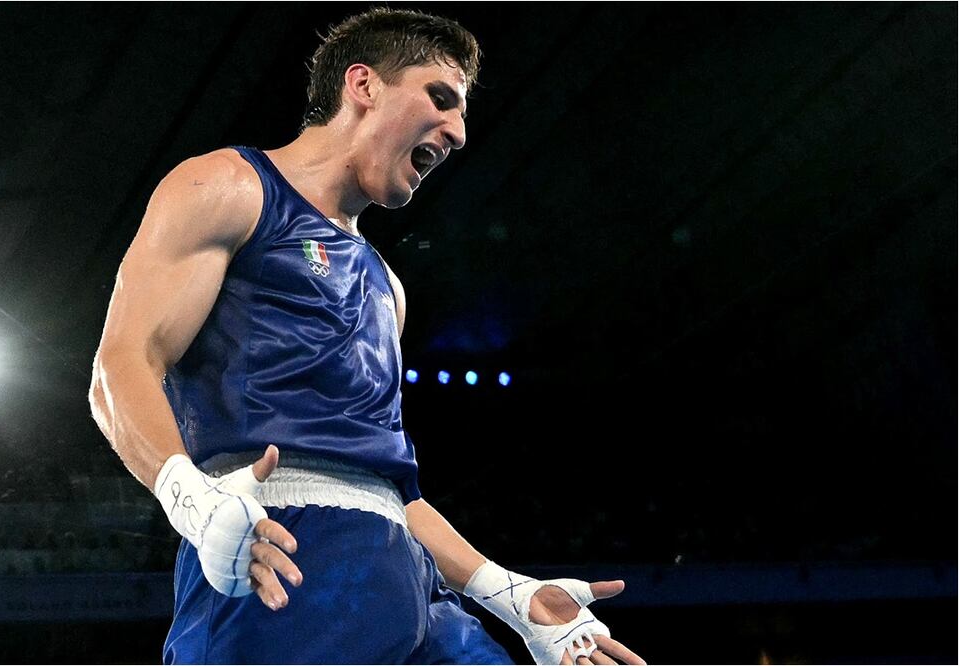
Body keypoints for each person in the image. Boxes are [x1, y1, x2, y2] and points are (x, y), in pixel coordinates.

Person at [89, 8, 645, 665]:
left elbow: (388, 489)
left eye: (461, 113)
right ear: (362, 85)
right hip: (283, 554)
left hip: (409, 580)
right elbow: (121, 364)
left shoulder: (386, 285)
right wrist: (190, 501)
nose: (458, 132)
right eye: (440, 98)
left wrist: (509, 594)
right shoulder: (228, 186)